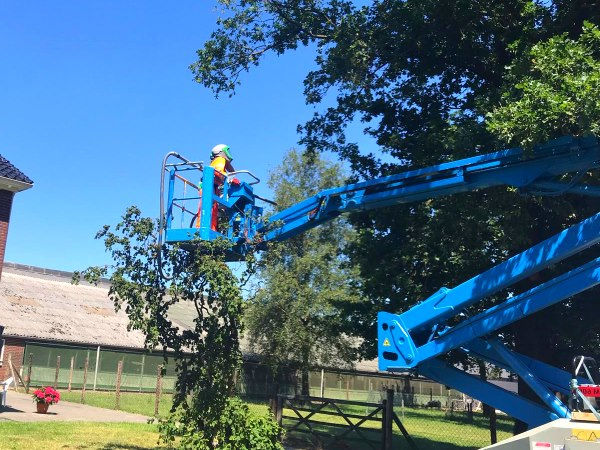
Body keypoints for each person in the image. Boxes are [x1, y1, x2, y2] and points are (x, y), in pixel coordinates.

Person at [208, 144, 238, 231]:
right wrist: (230, 180)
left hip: (214, 187)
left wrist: (231, 177)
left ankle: (213, 229)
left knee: (214, 210)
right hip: (208, 187)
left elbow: (231, 171)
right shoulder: (220, 160)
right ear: (221, 152)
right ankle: (203, 229)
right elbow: (219, 171)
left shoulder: (219, 161)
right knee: (207, 210)